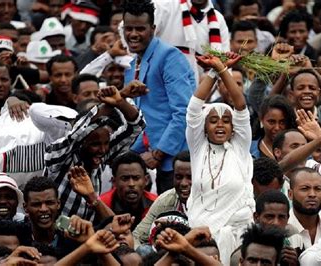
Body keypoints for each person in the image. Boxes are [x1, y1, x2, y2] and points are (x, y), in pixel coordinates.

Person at [185, 52, 254, 265]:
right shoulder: (198, 148)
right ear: (204, 128)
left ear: (234, 129)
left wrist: (225, 72)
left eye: (226, 121)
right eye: (213, 120)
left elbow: (241, 107)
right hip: (202, 236)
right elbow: (194, 108)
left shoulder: (239, 148)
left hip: (239, 235)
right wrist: (215, 71)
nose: (220, 125)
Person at [121, 0, 196, 194]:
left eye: (140, 28)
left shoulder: (170, 57)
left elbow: (184, 112)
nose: (133, 34)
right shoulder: (131, 66)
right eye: (128, 28)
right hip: (147, 158)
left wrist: (159, 153)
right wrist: (132, 156)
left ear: (153, 28)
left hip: (174, 163)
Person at [44, 86, 144, 221]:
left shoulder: (100, 157)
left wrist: (120, 101)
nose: (102, 150)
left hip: (83, 235)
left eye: (106, 143)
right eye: (95, 144)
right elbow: (78, 132)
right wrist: (108, 104)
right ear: (82, 142)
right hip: (51, 234)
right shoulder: (61, 156)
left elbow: (136, 127)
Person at [153, 0, 230, 80]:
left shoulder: (219, 20)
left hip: (198, 90)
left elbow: (224, 66)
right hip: (158, 84)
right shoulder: (163, 6)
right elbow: (143, 45)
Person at [132, 150, 191, 247]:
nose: (183, 183)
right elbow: (137, 237)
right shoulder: (165, 200)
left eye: (190, 177)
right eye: (178, 177)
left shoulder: (215, 201)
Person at [99, 151, 157, 229]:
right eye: (125, 178)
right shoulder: (101, 204)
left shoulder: (157, 204)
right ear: (114, 182)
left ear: (146, 180)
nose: (131, 184)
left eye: (136, 178)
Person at [287, 167, 321, 251]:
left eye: (318, 189)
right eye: (304, 189)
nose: (312, 194)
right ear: (290, 194)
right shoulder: (283, 228)